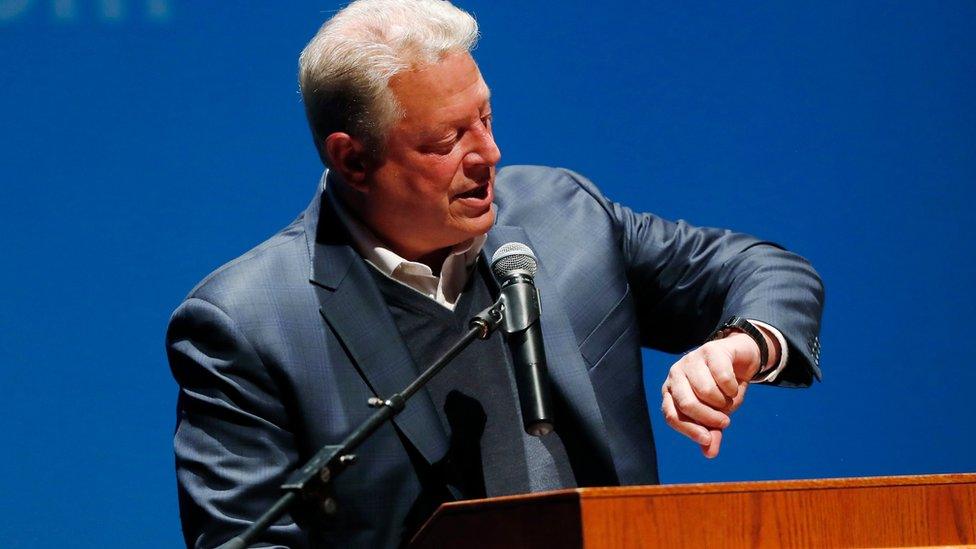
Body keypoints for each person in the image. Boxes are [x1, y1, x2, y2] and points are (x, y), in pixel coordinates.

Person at [166, 1, 824, 547]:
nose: (489, 154)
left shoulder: (563, 217)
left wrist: (746, 343)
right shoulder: (249, 324)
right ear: (353, 159)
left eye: (485, 116)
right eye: (446, 140)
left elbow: (761, 269)